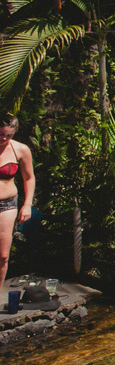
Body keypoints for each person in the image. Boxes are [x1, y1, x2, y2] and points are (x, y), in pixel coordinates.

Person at [0, 115, 36, 292]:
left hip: (6, 205)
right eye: (0, 134)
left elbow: (29, 178)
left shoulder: (21, 150)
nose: (3, 139)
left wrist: (27, 204)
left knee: (3, 256)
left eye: (8, 135)